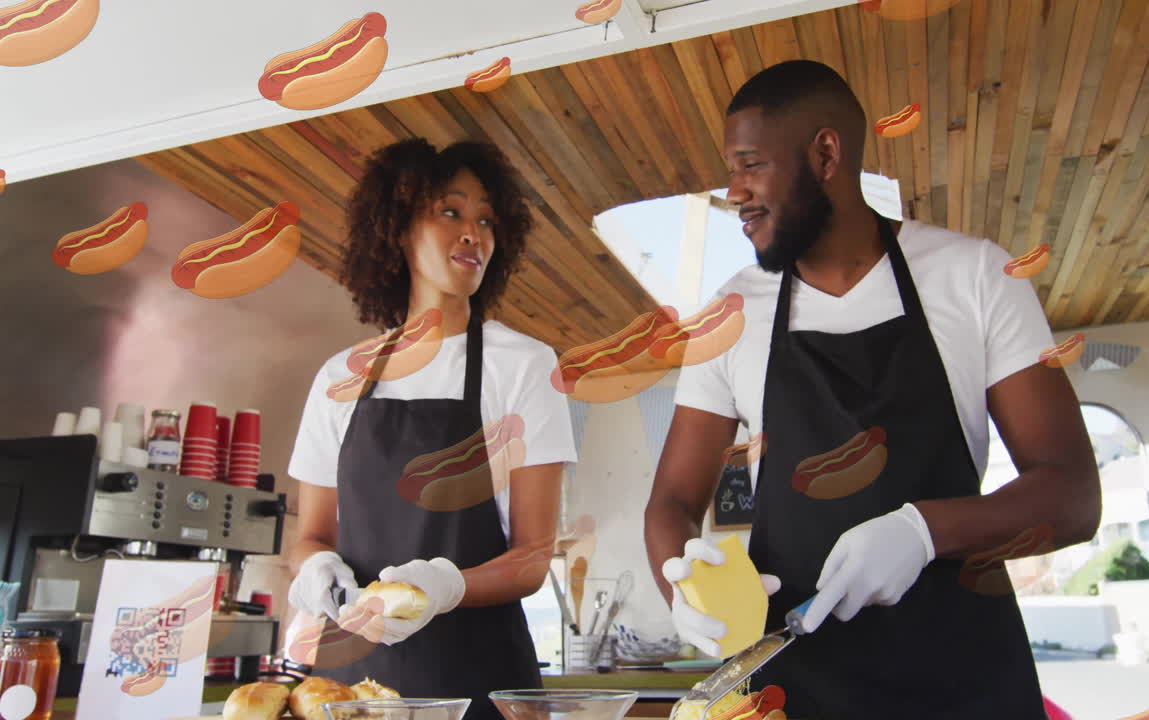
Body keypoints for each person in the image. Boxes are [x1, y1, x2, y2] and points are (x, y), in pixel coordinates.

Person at [645, 60, 1101, 718]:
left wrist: (924, 531)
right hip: (794, 682)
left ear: (825, 153)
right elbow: (671, 500)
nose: (733, 191)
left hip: (966, 675)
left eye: (750, 164)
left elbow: (1074, 495)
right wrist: (681, 586)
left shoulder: (975, 276)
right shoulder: (731, 314)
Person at [286, 138, 576, 719]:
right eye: (451, 211)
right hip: (349, 683)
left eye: (487, 219)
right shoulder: (339, 377)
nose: (475, 233)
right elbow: (310, 537)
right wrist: (317, 570)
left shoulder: (523, 364)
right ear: (397, 226)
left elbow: (533, 556)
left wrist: (443, 587)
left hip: (481, 677)